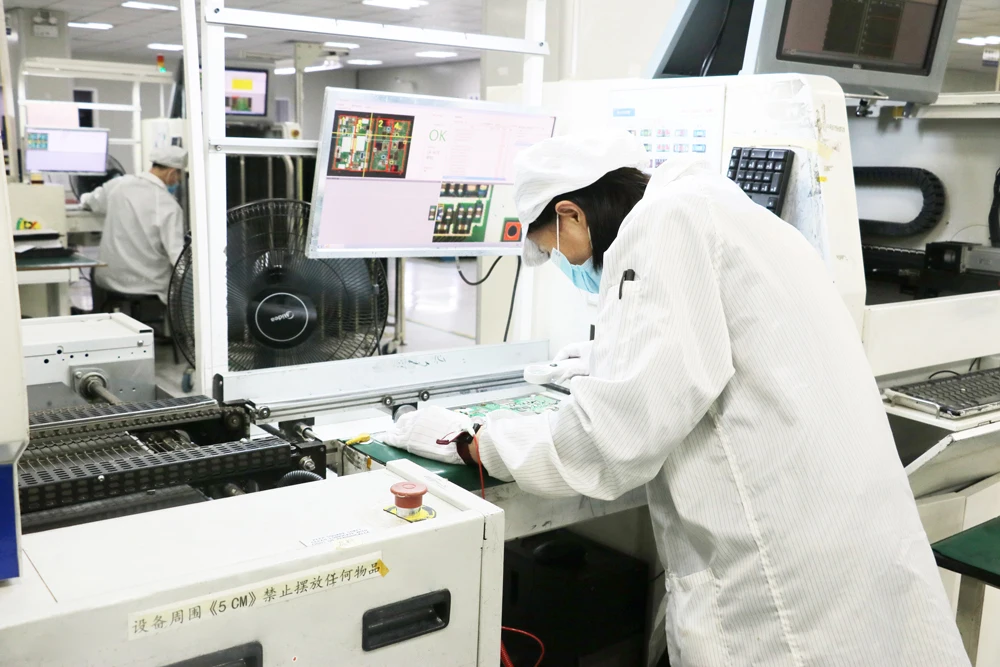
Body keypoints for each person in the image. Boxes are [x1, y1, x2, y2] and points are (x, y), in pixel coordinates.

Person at [383, 132, 970, 666]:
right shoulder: (723, 208)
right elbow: (734, 339)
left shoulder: (663, 226)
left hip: (779, 572)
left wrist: (471, 442)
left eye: (558, 250)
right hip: (847, 531)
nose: (571, 266)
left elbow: (608, 442)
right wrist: (610, 355)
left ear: (570, 213)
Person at [82, 145, 187, 305]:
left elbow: (90, 201)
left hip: (107, 281)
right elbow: (177, 255)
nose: (177, 182)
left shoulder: (118, 184)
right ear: (172, 172)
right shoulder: (169, 205)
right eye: (179, 177)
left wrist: (84, 199)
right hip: (146, 286)